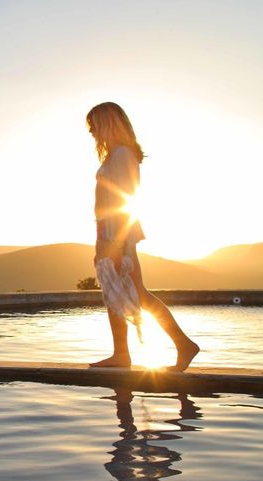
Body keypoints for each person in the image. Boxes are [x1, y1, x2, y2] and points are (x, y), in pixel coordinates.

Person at [86, 102, 200, 371]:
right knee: (114, 291)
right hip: (109, 233)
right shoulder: (115, 156)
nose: (91, 131)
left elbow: (127, 200)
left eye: (94, 125)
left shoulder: (122, 155)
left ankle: (182, 345)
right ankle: (121, 354)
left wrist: (117, 243)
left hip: (118, 234)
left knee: (137, 292)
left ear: (108, 123)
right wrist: (101, 241)